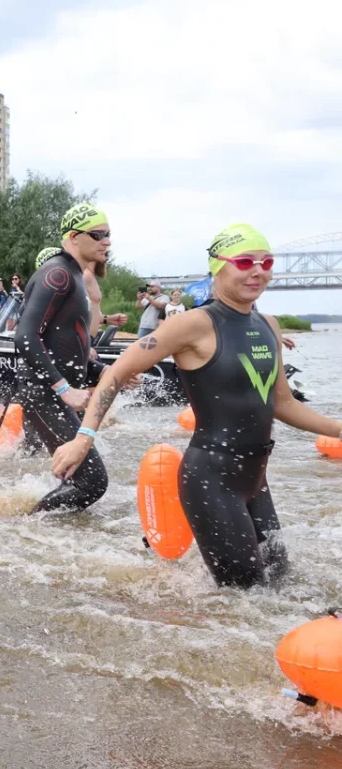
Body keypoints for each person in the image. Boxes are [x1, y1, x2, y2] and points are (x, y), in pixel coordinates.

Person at [53, 224, 342, 588]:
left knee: (280, 585)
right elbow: (116, 373)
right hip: (211, 478)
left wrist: (338, 429)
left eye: (266, 262)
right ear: (217, 266)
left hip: (255, 478)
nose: (258, 271)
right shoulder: (194, 324)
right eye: (244, 261)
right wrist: (83, 438)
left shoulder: (269, 324)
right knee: (247, 597)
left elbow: (281, 402)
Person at [13, 203, 122, 513]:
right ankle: (24, 528)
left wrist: (103, 371)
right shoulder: (58, 274)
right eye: (99, 235)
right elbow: (25, 336)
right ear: (74, 237)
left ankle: (47, 539)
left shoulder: (73, 275)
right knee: (92, 482)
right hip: (44, 395)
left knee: (77, 477)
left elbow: (65, 349)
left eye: (109, 235)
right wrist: (63, 388)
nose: (107, 241)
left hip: (50, 395)